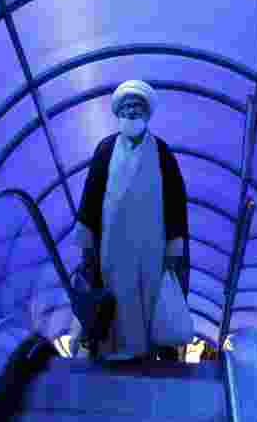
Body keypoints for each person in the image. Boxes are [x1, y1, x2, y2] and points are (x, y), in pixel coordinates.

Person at [70, 80, 191, 362]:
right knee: (117, 294)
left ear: (147, 113)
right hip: (112, 243)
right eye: (126, 107)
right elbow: (90, 196)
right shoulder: (105, 149)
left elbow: (175, 201)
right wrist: (87, 243)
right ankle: (113, 350)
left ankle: (146, 353)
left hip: (152, 243)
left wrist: (174, 246)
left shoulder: (162, 152)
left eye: (137, 106)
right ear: (118, 113)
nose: (131, 111)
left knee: (147, 295)